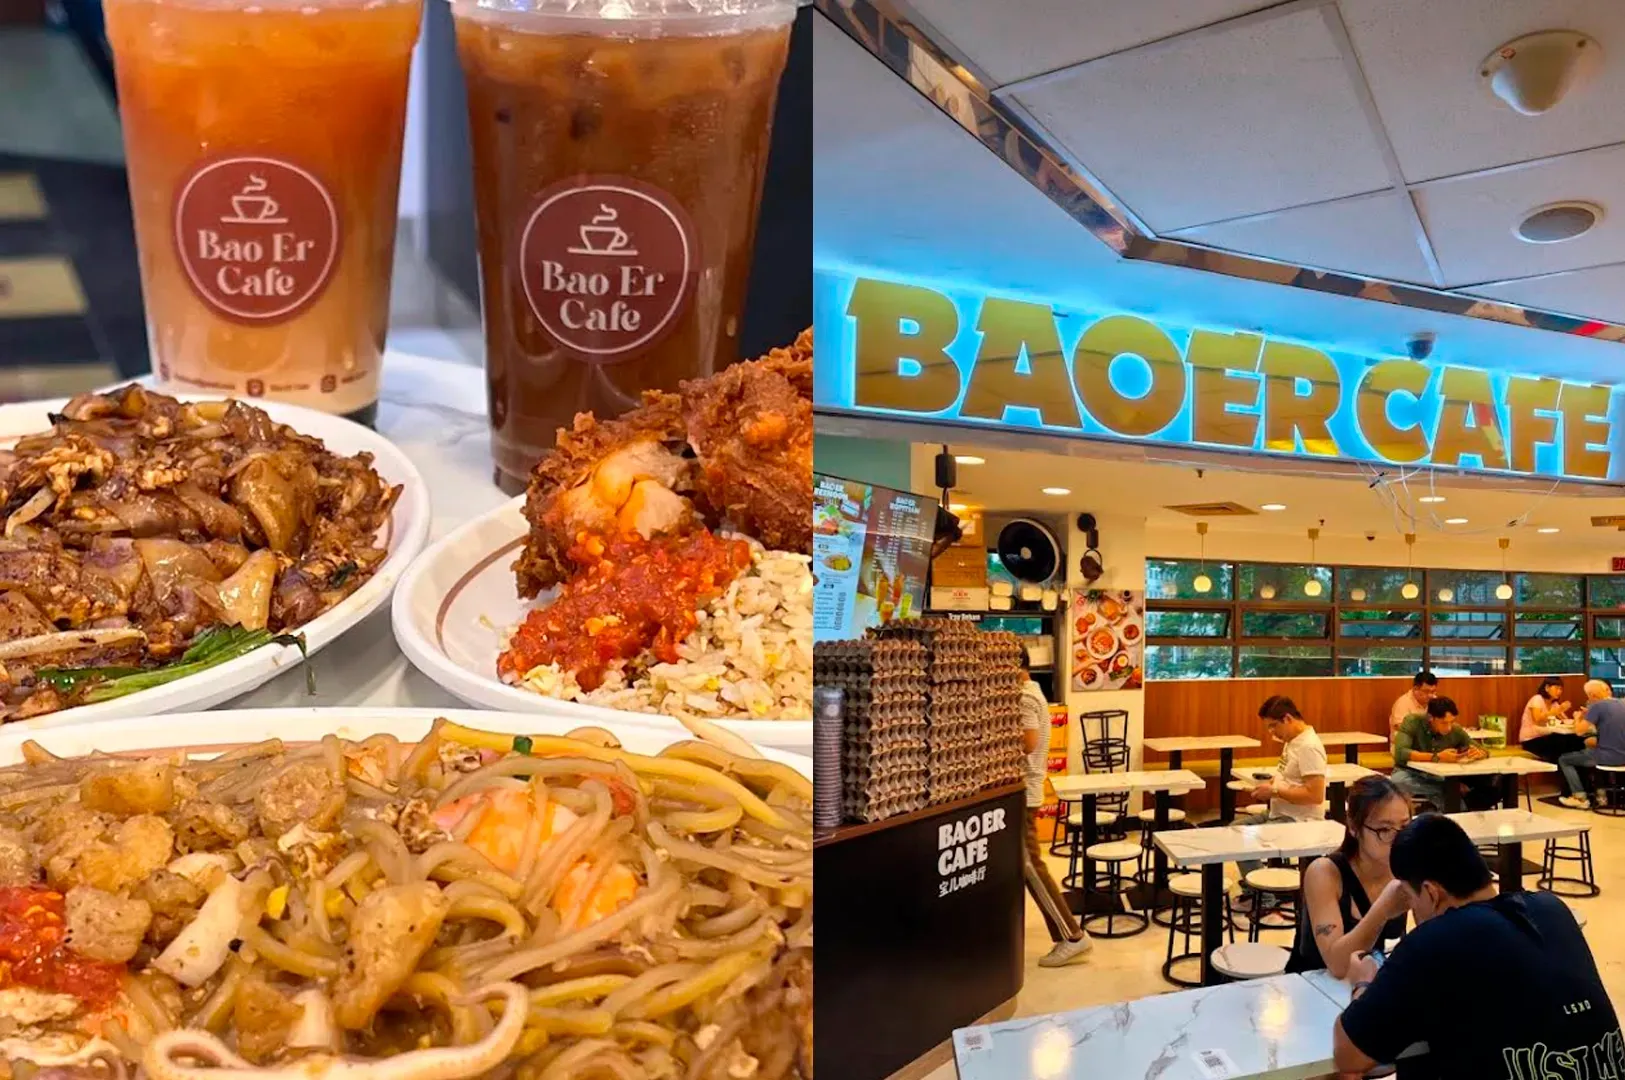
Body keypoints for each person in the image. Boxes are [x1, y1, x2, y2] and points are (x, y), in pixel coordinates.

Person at [1332, 814, 1620, 1080]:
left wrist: (1363, 984)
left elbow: (1349, 1056)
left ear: (1431, 893)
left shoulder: (1434, 941)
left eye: (1408, 898)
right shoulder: (1552, 908)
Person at [1287, 776, 1411, 976]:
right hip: (1313, 986)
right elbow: (1338, 966)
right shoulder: (1324, 873)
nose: (1398, 840)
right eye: (1384, 829)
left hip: (1368, 985)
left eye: (1405, 827)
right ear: (1353, 827)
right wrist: (1383, 910)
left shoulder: (1406, 867)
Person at [1017, 655, 1091, 967]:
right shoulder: (1035, 691)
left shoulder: (1023, 697)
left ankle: (1072, 936)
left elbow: (1029, 743)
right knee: (1026, 866)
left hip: (1023, 791)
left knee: (1030, 866)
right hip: (1027, 789)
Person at [1236, 696, 1326, 891]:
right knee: (1234, 831)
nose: (1271, 732)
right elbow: (1288, 776)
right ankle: (1255, 890)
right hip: (1280, 812)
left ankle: (1264, 898)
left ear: (1287, 719)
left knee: (1245, 840)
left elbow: (1315, 795)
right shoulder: (1292, 741)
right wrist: (1269, 784)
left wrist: (1275, 791)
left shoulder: (1309, 747)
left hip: (1299, 820)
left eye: (1273, 726)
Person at [1388, 696, 1494, 810]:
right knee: (1398, 781)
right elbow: (1400, 753)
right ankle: (1451, 791)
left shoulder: (1455, 730)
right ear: (1430, 718)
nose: (1448, 727)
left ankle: (1450, 800)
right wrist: (1437, 757)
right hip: (1411, 773)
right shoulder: (1412, 722)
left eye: (1452, 722)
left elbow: (1483, 750)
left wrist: (1479, 753)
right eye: (1444, 723)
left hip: (1438, 776)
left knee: (1490, 780)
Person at [1557, 679, 1625, 810]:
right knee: (1589, 749)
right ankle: (1601, 795)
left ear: (1592, 696)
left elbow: (1579, 731)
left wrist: (1578, 717)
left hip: (1608, 758)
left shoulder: (1597, 706)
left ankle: (1579, 797)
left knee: (1564, 759)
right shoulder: (1622, 703)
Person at [1521, 676, 1593, 794]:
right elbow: (1538, 719)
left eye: (1561, 689)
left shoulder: (1554, 704)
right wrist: (1558, 710)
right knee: (1563, 748)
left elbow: (1565, 721)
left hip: (1548, 737)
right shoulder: (1537, 699)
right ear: (1547, 687)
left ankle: (1583, 788)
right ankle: (1571, 790)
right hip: (1532, 740)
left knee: (1576, 742)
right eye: (1557, 688)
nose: (1559, 692)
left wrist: (1578, 718)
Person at [1387, 670, 1438, 739]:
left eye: (1433, 691)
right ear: (1415, 689)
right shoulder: (1403, 702)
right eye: (1426, 691)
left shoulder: (1435, 701)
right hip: (1405, 746)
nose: (1430, 695)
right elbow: (1399, 726)